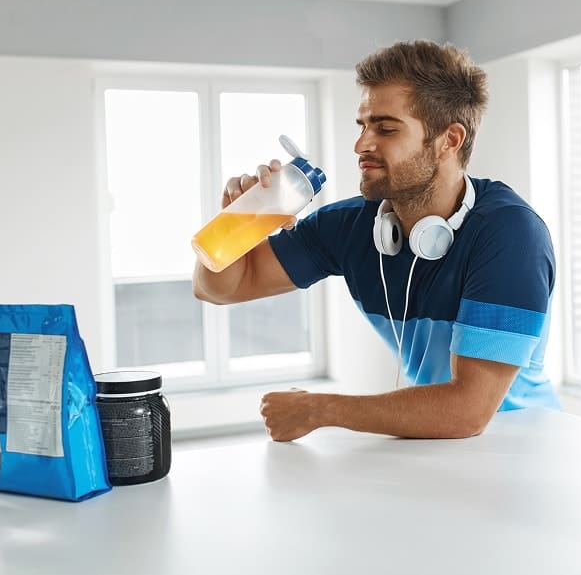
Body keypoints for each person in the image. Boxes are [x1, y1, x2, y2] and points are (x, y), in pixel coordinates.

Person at [193, 40, 558, 442]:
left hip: (519, 446)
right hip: (432, 444)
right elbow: (219, 288)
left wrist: (318, 409)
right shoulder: (349, 226)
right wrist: (235, 221)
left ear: (449, 140)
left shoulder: (510, 235)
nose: (361, 144)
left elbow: (467, 411)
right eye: (362, 126)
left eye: (385, 128)